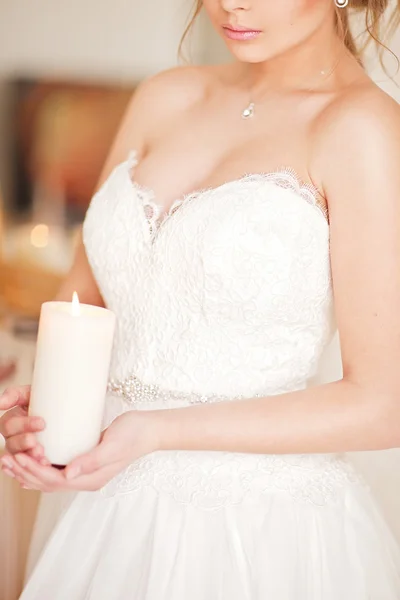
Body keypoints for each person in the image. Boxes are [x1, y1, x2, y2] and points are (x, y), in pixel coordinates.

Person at [1, 0, 400, 597]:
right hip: (105, 504)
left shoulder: (362, 129)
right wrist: (42, 417)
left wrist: (158, 431)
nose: (230, 4)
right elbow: (83, 302)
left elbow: (384, 404)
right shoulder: (166, 95)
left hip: (252, 531)